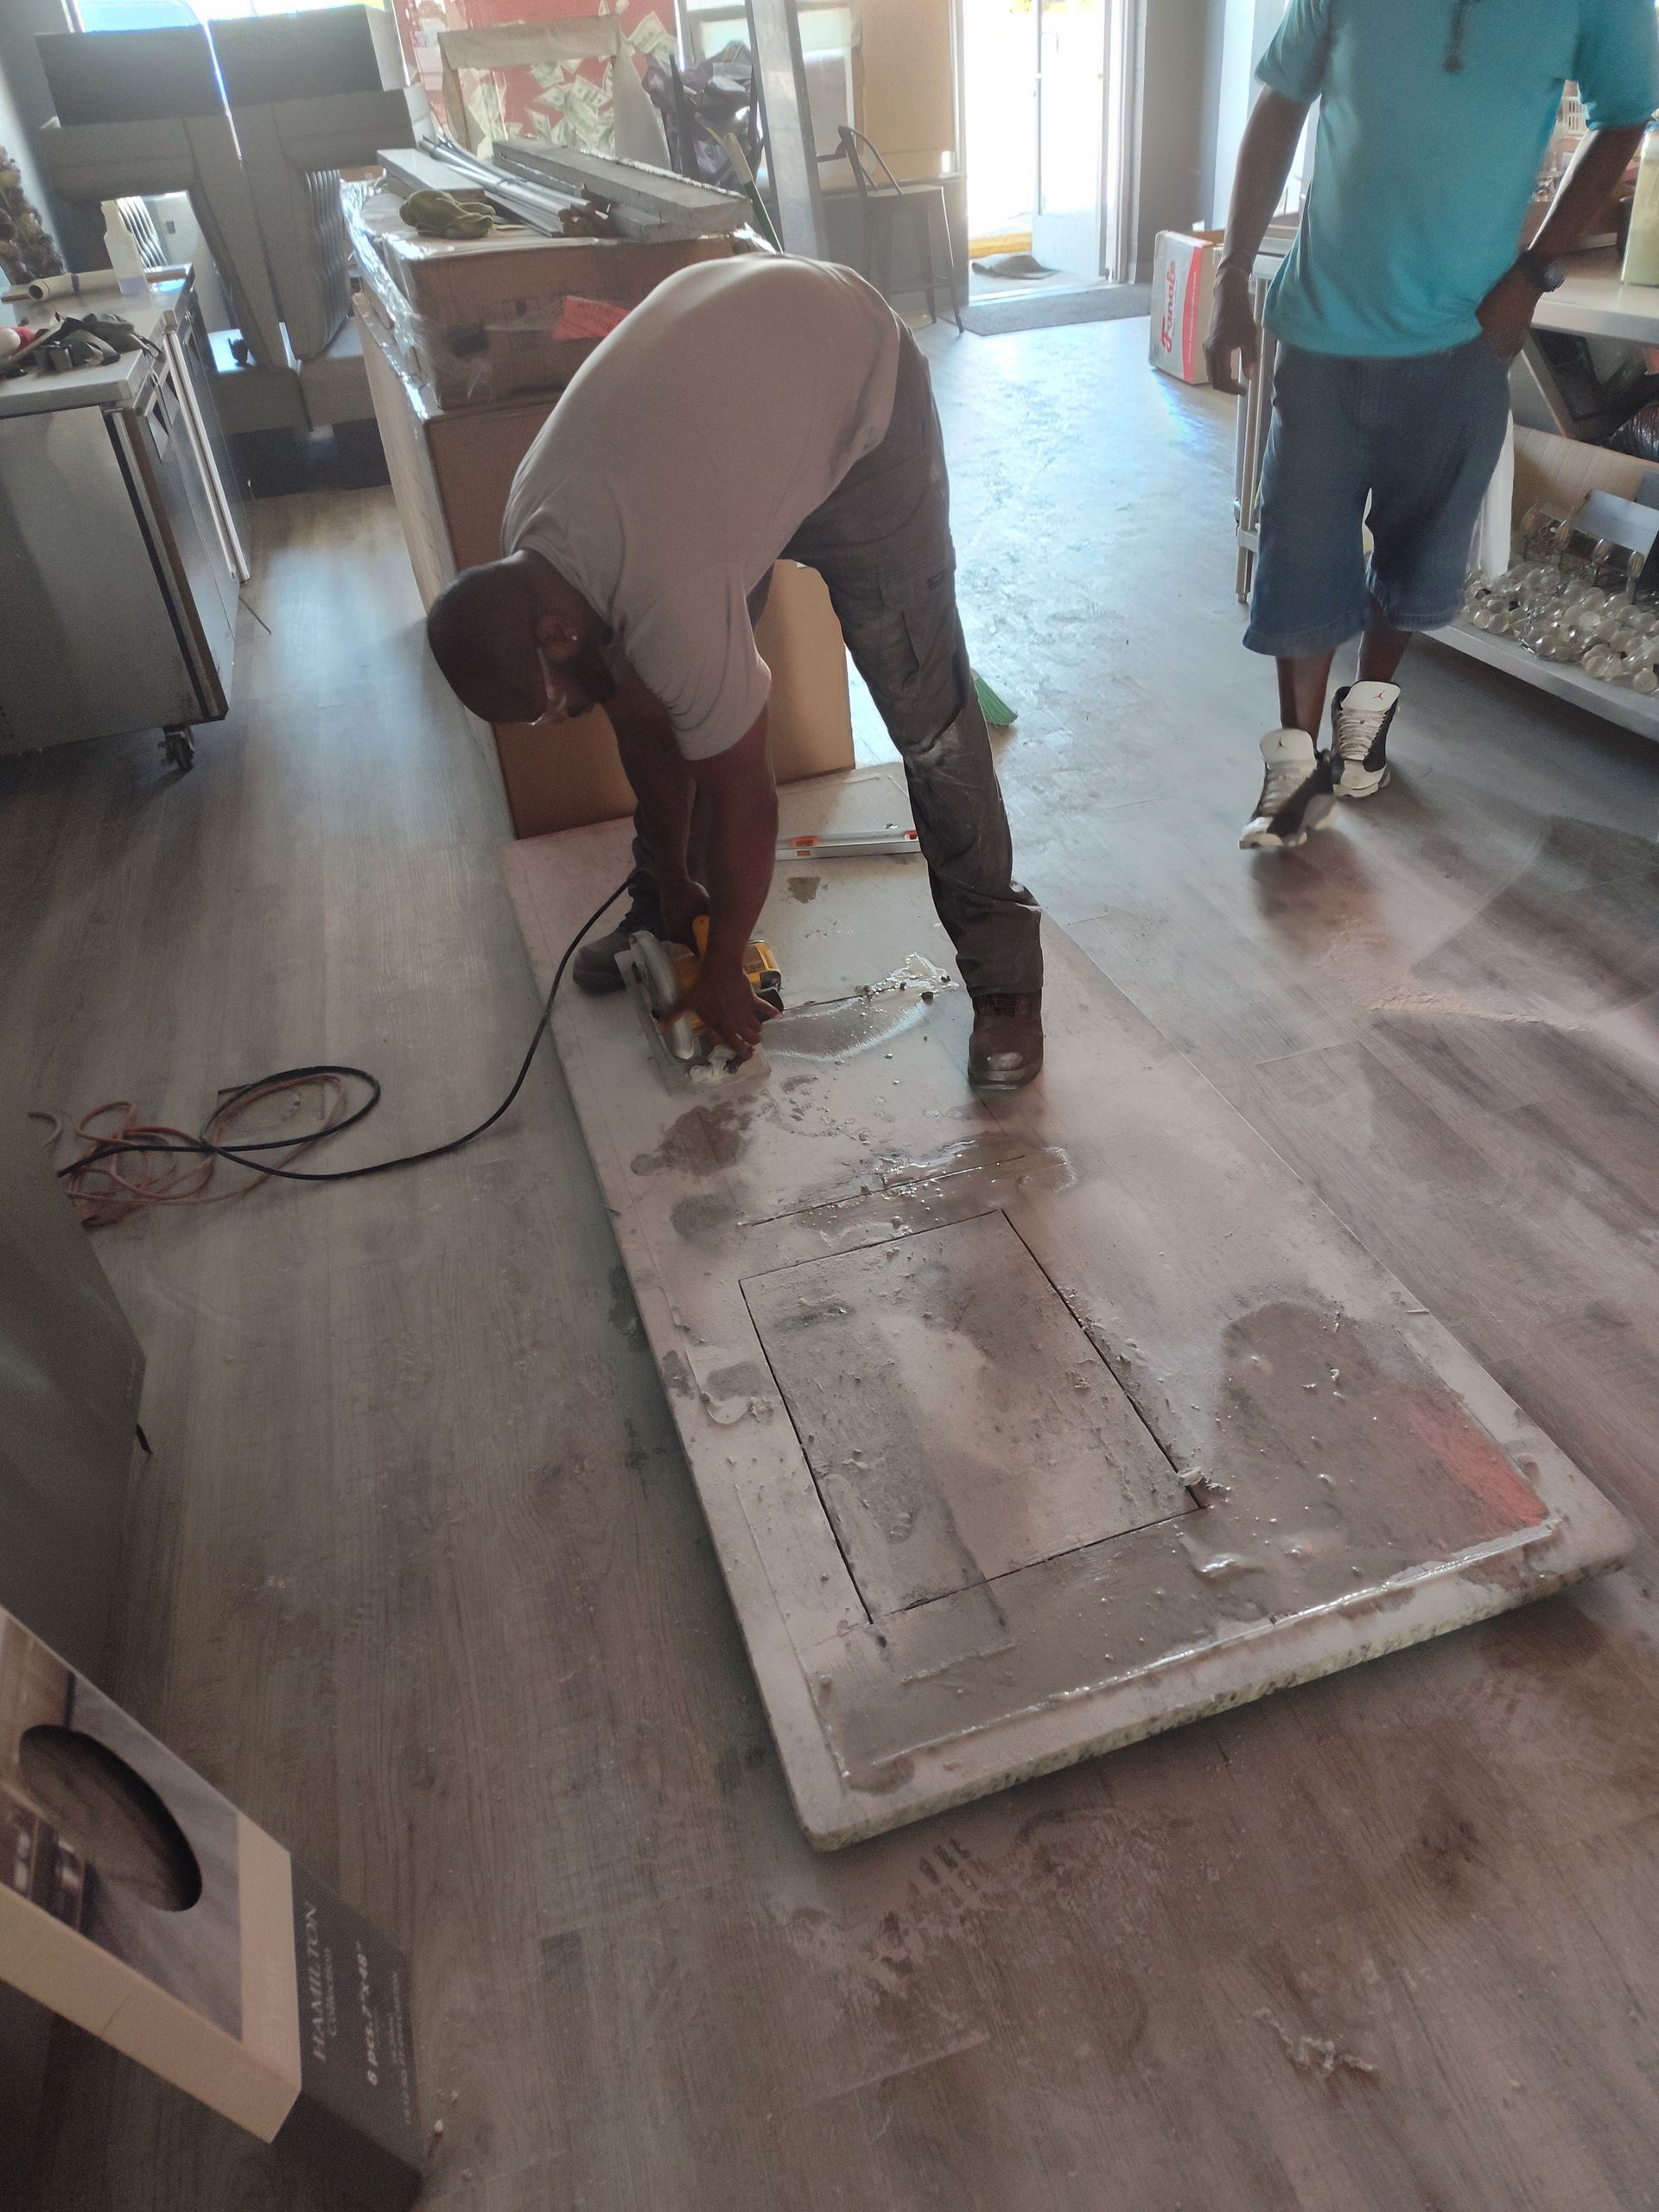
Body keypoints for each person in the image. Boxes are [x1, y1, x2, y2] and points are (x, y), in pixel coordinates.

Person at [426, 256, 1044, 1090]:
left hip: (859, 394)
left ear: (555, 631)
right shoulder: (540, 535)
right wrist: (681, 883)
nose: (564, 715)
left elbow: (744, 794)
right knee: (654, 684)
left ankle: (1005, 979)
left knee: (925, 717)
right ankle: (662, 905)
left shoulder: (661, 580)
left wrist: (724, 978)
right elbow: (640, 719)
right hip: (743, 415)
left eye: (551, 702)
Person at [1207, 0, 1659, 851]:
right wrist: (1232, 275)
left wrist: (1532, 274)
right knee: (1300, 551)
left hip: (1463, 338)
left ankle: (1366, 713)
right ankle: (1296, 769)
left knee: (1420, 556)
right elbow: (1280, 102)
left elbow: (1626, 114)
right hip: (1322, 330)